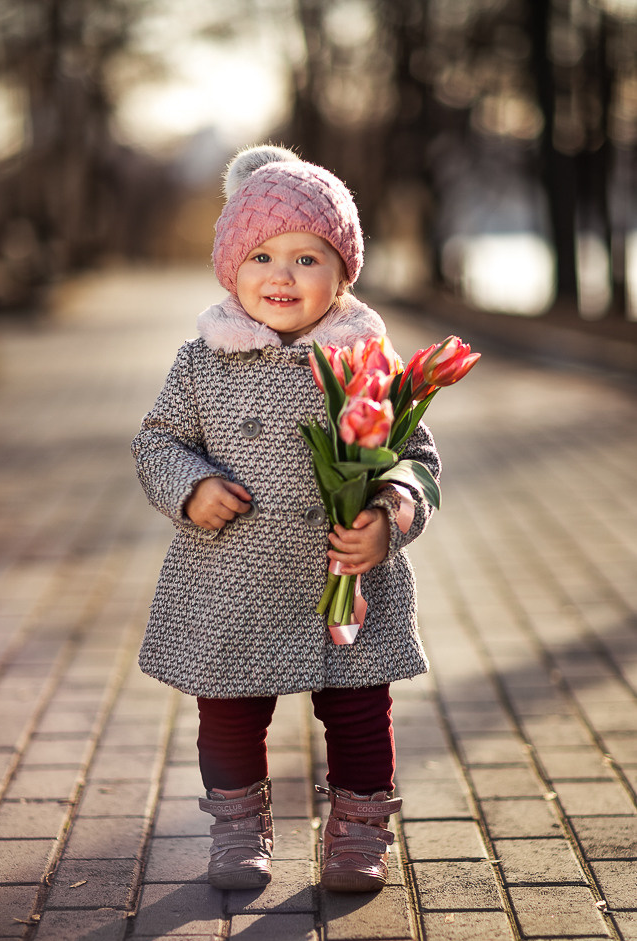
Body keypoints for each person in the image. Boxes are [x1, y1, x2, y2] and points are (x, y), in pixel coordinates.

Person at [131, 145, 441, 894]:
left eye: (308, 259)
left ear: (342, 275)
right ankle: (238, 826)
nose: (282, 275)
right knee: (229, 713)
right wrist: (190, 486)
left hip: (344, 581)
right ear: (230, 269)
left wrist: (389, 518)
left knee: (360, 710)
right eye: (261, 256)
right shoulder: (203, 361)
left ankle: (358, 830)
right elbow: (157, 441)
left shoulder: (367, 359)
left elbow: (416, 457)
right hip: (234, 578)